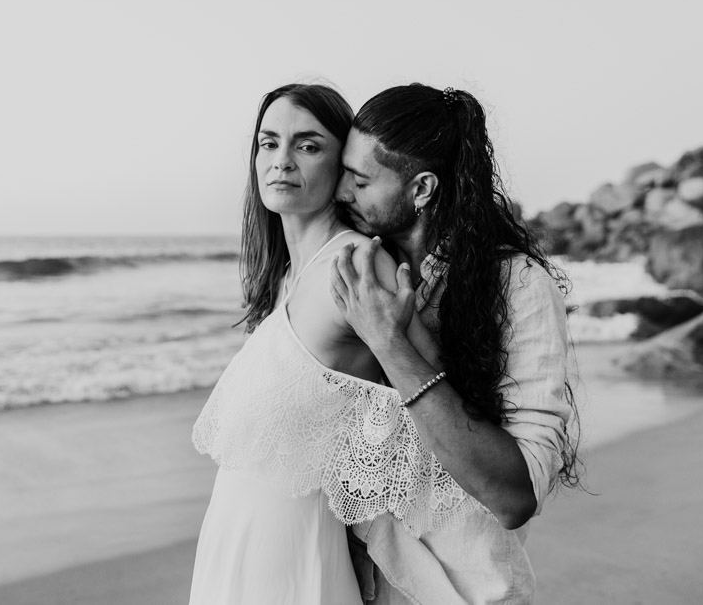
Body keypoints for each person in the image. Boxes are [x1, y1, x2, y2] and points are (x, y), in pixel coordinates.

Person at [189, 83, 492, 604]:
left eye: (307, 145)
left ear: (343, 165)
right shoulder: (288, 278)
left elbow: (447, 404)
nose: (281, 161)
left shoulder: (356, 265)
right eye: (268, 143)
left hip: (294, 567)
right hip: (235, 549)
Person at [330, 83, 580, 604]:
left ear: (421, 189)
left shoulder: (519, 285)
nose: (342, 193)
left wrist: (390, 342)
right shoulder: (360, 278)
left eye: (360, 180)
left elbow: (515, 497)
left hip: (468, 593)